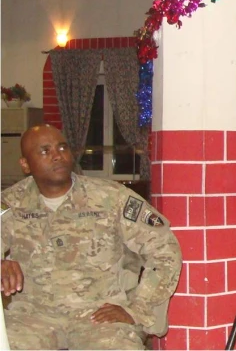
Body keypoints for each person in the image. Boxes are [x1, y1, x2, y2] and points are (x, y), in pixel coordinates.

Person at [0, 124, 182, 350]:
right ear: (25, 164)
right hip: (32, 317)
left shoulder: (111, 197)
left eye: (62, 147)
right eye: (45, 151)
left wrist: (138, 309)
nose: (57, 156)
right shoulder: (9, 204)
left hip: (98, 316)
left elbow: (164, 248)